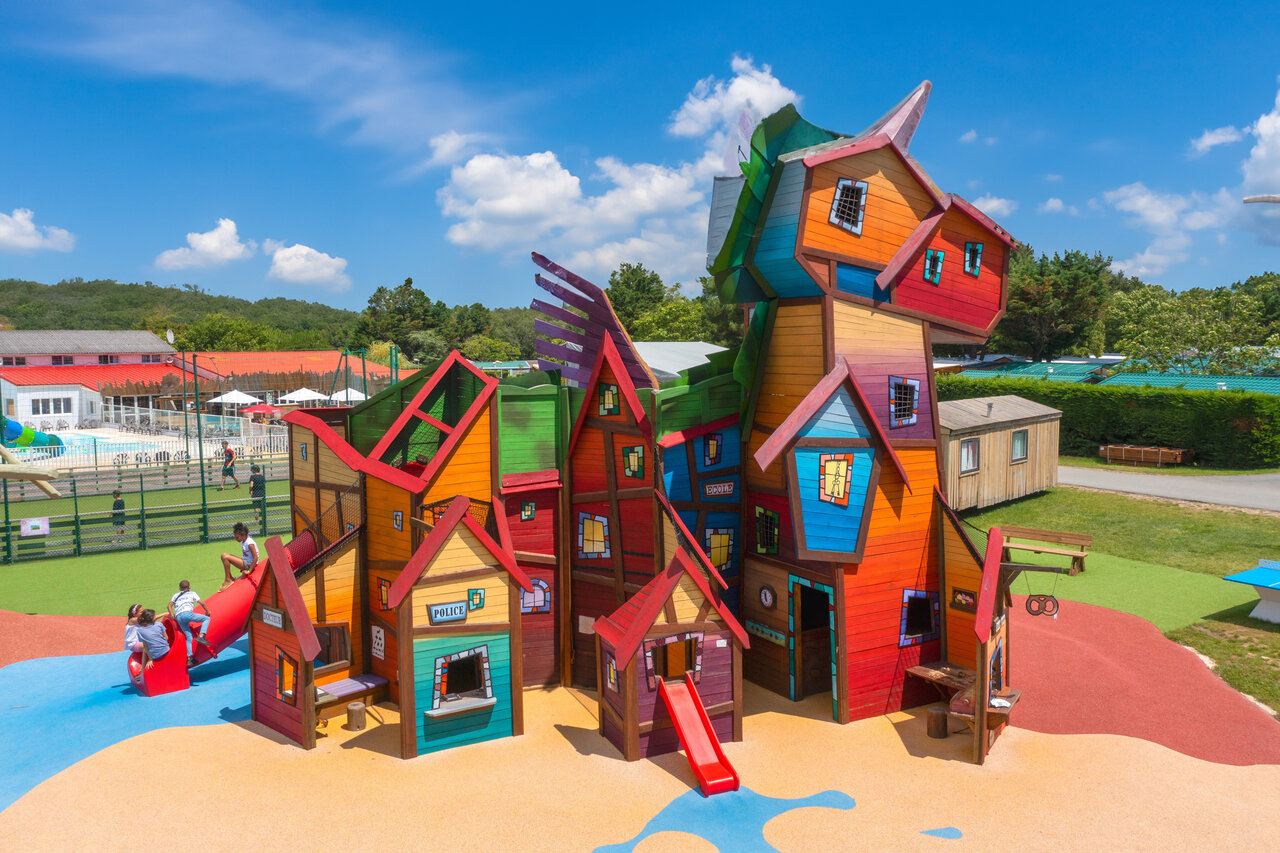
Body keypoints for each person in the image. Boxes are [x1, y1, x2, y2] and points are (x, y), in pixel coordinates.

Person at [168, 580, 212, 666]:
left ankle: (189, 658)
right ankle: (201, 636)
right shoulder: (192, 593)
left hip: (178, 617)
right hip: (187, 614)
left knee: (189, 637)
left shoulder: (176, 595)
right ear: (189, 587)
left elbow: (169, 605)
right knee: (206, 619)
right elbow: (201, 603)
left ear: (180, 588)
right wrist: (207, 611)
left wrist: (172, 615)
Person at [219, 522, 258, 590]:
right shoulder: (243, 541)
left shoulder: (250, 543)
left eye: (237, 537)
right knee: (223, 555)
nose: (236, 539)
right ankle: (230, 577)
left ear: (243, 535)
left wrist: (249, 571)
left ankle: (228, 580)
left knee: (225, 557)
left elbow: (256, 557)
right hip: (245, 562)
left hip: (249, 564)